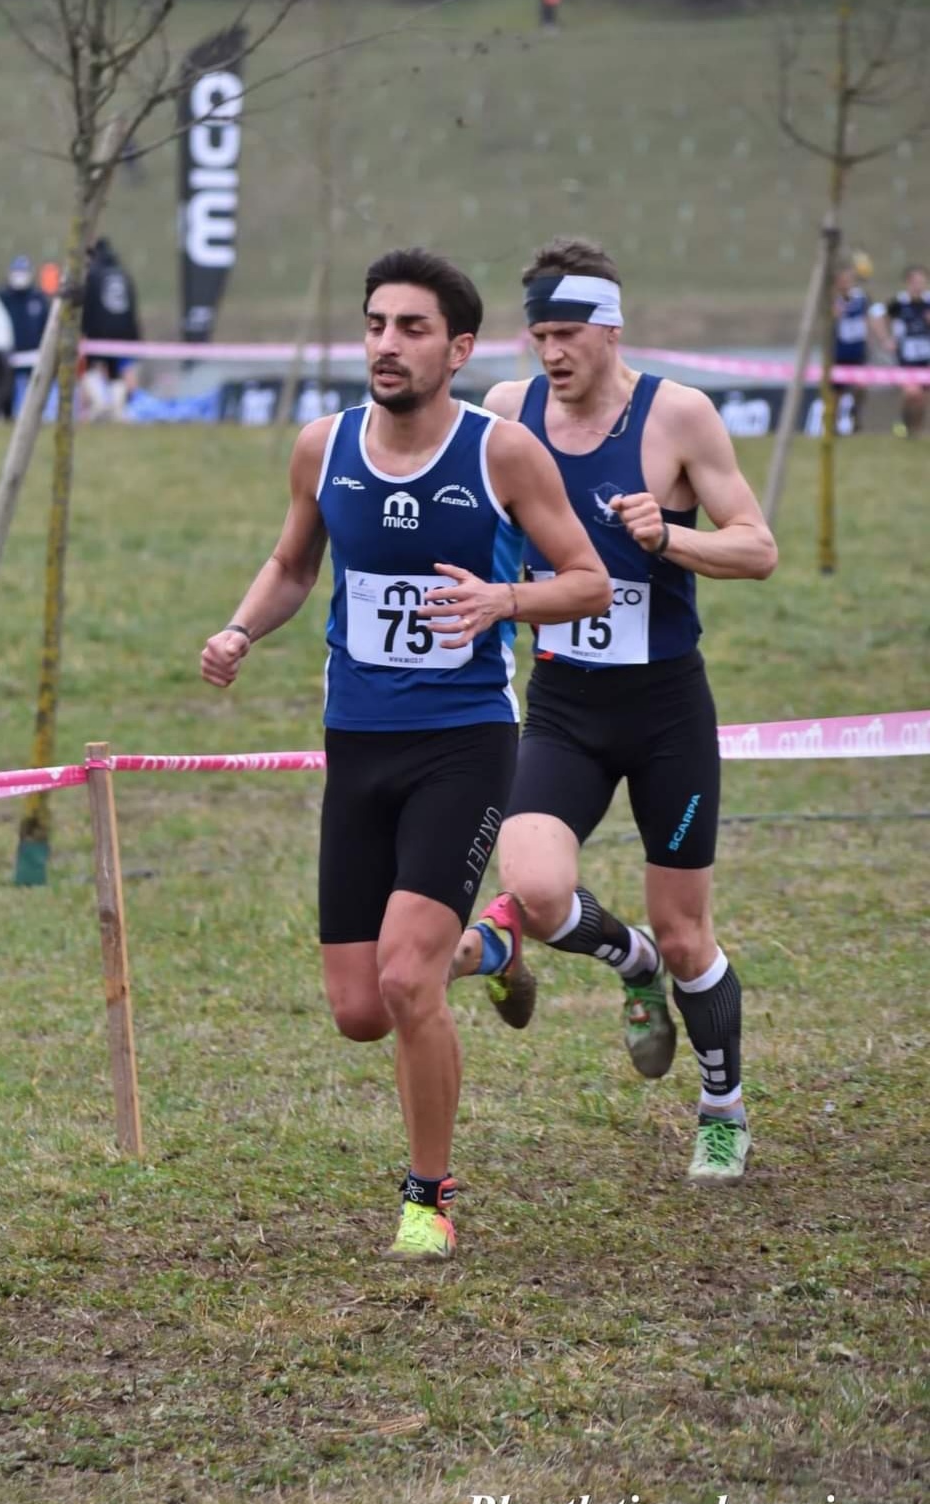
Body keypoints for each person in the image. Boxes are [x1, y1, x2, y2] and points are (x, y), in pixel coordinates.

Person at [200, 247, 611, 1261]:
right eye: (378, 323)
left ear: (460, 348)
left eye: (412, 327)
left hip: (463, 745)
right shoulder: (323, 445)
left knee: (402, 979)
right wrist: (244, 628)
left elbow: (590, 580)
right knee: (357, 1009)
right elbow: (295, 561)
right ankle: (497, 947)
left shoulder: (502, 453)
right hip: (358, 749)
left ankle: (428, 1192)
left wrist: (503, 600)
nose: (387, 343)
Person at [449, 236, 778, 1184]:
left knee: (690, 933)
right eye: (539, 334)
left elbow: (756, 548)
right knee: (540, 892)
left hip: (666, 709)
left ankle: (722, 1106)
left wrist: (670, 536)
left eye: (568, 334)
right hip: (561, 705)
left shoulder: (678, 416)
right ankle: (629, 962)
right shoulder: (508, 411)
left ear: (610, 327)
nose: (551, 353)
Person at [81, 237, 142, 420]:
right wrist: (135, 339)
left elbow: (88, 306)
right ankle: (117, 409)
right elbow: (132, 308)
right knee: (116, 372)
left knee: (91, 368)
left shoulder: (94, 275)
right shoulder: (124, 275)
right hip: (124, 335)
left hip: (98, 334)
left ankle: (100, 405)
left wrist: (84, 332)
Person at [870, 264, 930, 439]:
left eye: (921, 281)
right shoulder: (899, 302)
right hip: (905, 358)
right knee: (912, 393)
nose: (918, 285)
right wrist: (885, 340)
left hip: (925, 358)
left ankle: (915, 431)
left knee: (922, 399)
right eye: (914, 281)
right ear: (907, 283)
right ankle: (903, 424)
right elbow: (877, 318)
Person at [0, 255, 51, 417]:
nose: (19, 276)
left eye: (23, 272)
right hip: (8, 357)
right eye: (17, 272)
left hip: (33, 358)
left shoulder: (38, 299)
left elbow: (46, 328)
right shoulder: (2, 298)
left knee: (33, 397)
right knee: (8, 393)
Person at [831, 257, 871, 432]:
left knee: (860, 387)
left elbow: (869, 319)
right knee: (836, 392)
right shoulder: (832, 299)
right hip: (838, 351)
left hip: (858, 351)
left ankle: (856, 417)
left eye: (848, 279)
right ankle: (834, 425)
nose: (845, 283)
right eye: (842, 279)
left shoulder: (861, 298)